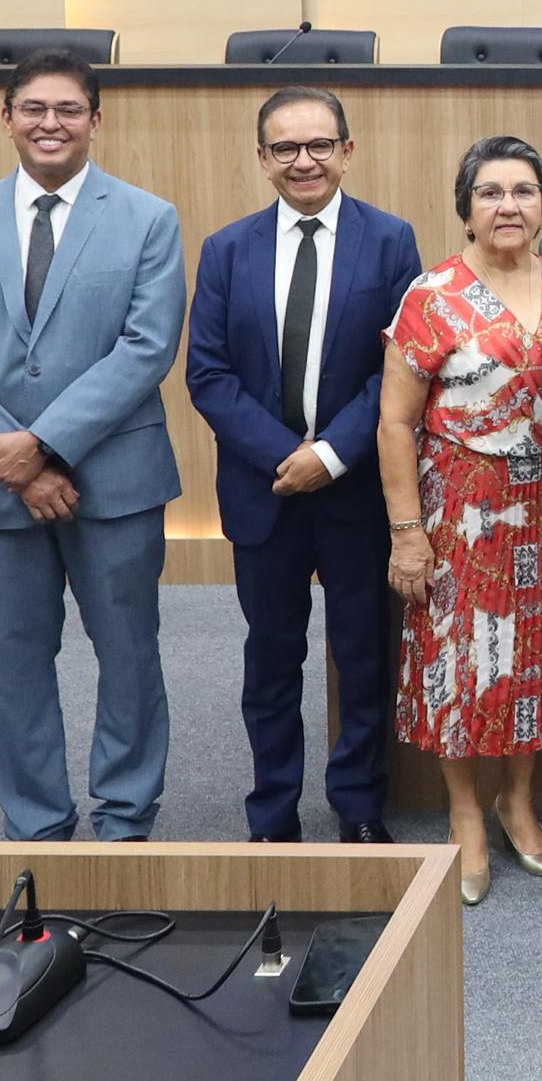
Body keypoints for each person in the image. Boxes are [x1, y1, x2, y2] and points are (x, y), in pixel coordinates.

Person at [0, 47, 190, 844]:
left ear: (95, 122)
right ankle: (37, 825)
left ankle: (125, 817)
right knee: (18, 659)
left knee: (129, 654)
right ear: (7, 119)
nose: (50, 124)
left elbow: (146, 348)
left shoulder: (147, 218)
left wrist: (43, 445)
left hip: (114, 481)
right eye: (33, 108)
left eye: (69, 109)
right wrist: (18, 462)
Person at [186, 86, 421, 845]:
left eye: (320, 145)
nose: (304, 161)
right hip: (264, 489)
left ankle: (357, 804)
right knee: (272, 659)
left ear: (347, 152)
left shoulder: (390, 241)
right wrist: (284, 456)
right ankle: (272, 814)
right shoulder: (227, 249)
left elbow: (397, 369)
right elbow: (209, 374)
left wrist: (328, 454)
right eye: (285, 148)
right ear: (262, 159)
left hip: (353, 488)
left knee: (361, 652)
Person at [379, 136, 542, 904]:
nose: (508, 206)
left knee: (531, 654)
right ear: (466, 209)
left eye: (524, 191)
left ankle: (517, 801)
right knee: (462, 661)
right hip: (461, 510)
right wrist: (408, 531)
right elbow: (395, 423)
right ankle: (465, 809)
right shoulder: (431, 296)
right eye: (491, 192)